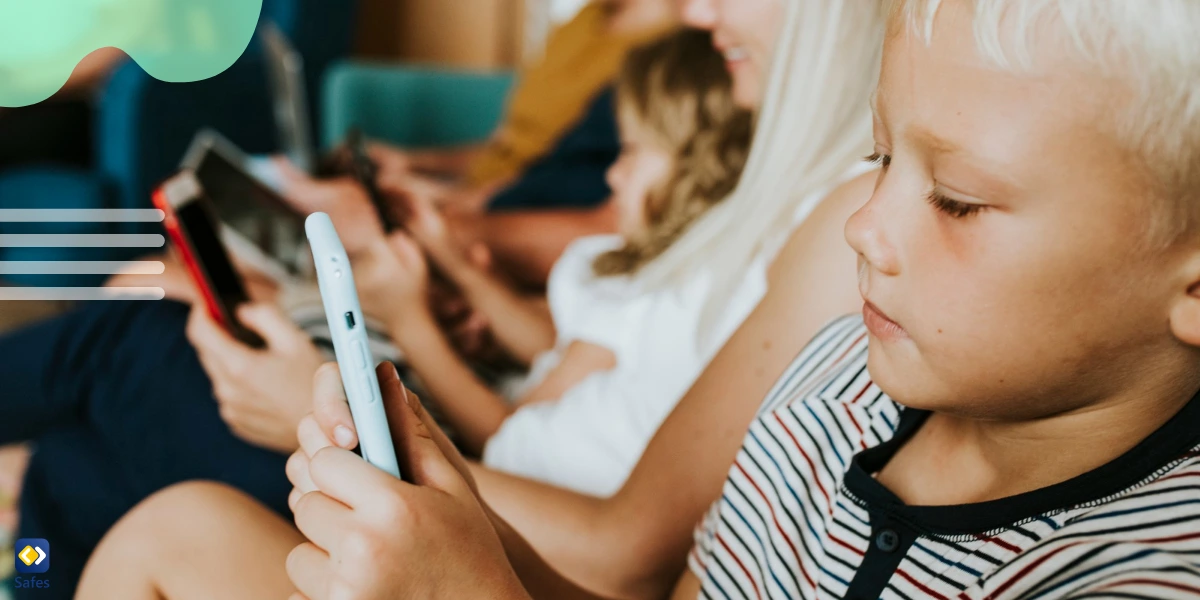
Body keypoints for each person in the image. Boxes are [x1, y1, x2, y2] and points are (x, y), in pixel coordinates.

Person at [95, 0, 1200, 598]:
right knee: (177, 524)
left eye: (956, 201)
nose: (861, 227)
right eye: (873, 162)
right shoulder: (835, 387)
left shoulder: (1137, 575)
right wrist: (473, 539)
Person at [377, 28, 756, 496]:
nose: (615, 175)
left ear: (703, 164)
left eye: (633, 151)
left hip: (505, 477)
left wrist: (408, 322)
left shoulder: (657, 295)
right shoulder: (670, 276)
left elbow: (504, 436)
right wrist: (460, 269)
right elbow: (565, 349)